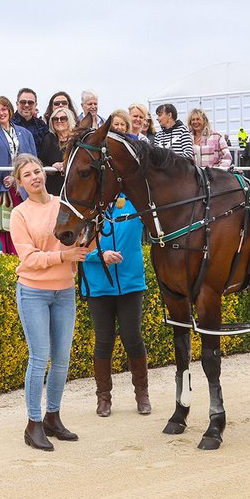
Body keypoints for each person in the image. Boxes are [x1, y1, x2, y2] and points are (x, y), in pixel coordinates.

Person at [9, 153, 91, 451]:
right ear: (19, 182)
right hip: (33, 291)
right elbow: (28, 259)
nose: (34, 177)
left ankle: (52, 418)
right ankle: (33, 424)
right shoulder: (20, 214)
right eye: (27, 174)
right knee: (39, 357)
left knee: (62, 359)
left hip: (64, 291)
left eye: (37, 171)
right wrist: (63, 256)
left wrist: (91, 238)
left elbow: (82, 242)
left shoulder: (62, 205)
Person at [81, 115, 150, 417]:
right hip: (98, 282)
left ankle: (142, 395)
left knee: (133, 338)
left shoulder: (135, 199)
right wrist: (101, 256)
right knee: (104, 341)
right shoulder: (89, 205)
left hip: (132, 280)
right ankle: (103, 397)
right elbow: (79, 248)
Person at [0, 96, 37, 256]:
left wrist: (16, 177)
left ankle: (24, 255)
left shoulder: (25, 133)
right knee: (3, 224)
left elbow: (33, 160)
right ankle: (3, 257)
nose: (1, 113)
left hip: (22, 188)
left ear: (10, 109)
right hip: (1, 188)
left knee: (22, 224)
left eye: (4, 109)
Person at [39, 105, 75, 196]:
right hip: (53, 187)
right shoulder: (48, 139)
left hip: (73, 187)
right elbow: (41, 162)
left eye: (63, 118)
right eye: (55, 119)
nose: (59, 121)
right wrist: (52, 167)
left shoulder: (77, 139)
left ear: (69, 120)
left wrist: (66, 164)